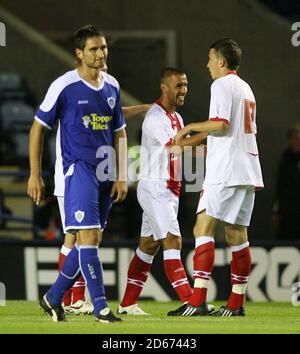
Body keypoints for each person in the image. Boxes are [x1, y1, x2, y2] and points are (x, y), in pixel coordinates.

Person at [27, 24, 128, 323]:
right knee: (87, 239)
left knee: (92, 237)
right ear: (79, 53)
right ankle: (101, 307)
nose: (101, 53)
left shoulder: (112, 86)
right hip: (77, 170)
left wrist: (121, 174)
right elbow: (36, 128)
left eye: (104, 48)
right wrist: (35, 173)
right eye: (94, 49)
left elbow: (120, 132)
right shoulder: (64, 86)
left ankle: (53, 297)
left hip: (105, 170)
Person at [53, 34, 151, 315]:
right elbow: (116, 114)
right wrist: (146, 108)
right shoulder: (72, 91)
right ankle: (72, 299)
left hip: (94, 173)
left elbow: (114, 117)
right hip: (71, 175)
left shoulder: (103, 92)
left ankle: (69, 297)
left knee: (84, 238)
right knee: (75, 238)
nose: (102, 65)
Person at [168, 38, 264, 317]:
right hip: (247, 169)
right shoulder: (246, 88)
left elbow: (220, 126)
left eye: (210, 58)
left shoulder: (220, 85)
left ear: (221, 61)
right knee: (237, 235)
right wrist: (191, 141)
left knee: (202, 228)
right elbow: (231, 131)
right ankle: (236, 304)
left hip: (225, 170)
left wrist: (189, 126)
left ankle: (197, 300)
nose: (207, 64)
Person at [118, 67, 208, 315]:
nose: (184, 91)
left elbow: (185, 149)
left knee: (148, 246)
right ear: (164, 88)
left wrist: (210, 151)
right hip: (155, 187)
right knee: (173, 240)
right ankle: (191, 301)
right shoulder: (155, 118)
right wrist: (208, 131)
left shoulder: (176, 119)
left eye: (186, 85)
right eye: (179, 85)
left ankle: (127, 304)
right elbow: (176, 147)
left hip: (170, 189)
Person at [272, 123, 300, 240]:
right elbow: (280, 187)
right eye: (296, 139)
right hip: (287, 211)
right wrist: (276, 210)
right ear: (290, 140)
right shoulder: (285, 159)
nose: (298, 142)